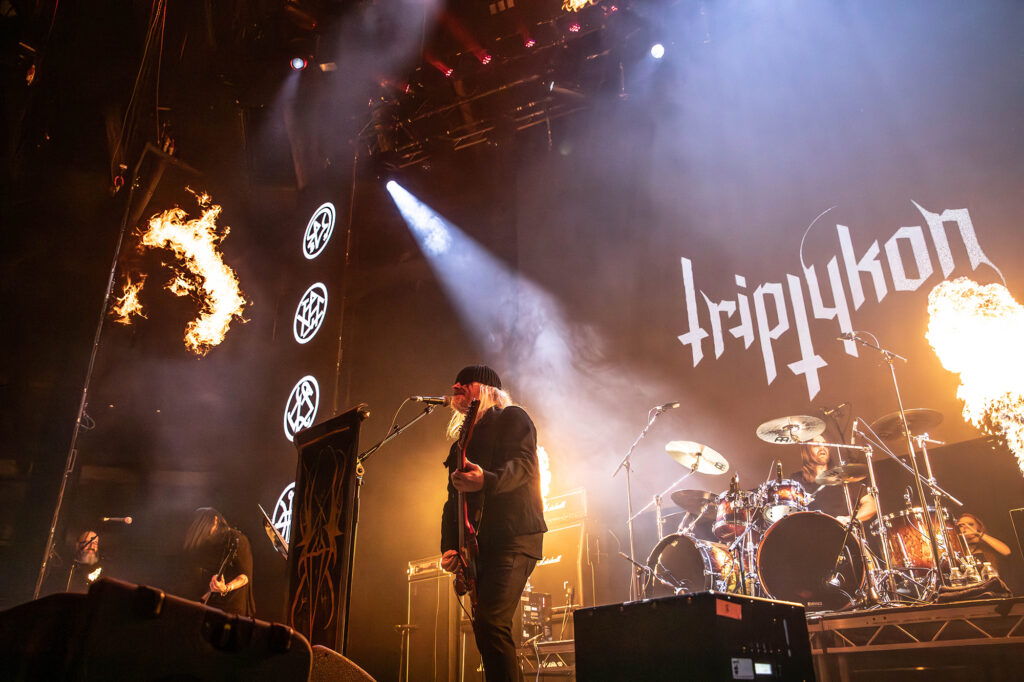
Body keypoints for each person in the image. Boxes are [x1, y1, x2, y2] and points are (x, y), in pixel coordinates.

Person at [439, 365, 547, 682]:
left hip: (514, 536)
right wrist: (449, 547)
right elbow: (452, 501)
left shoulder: (512, 418)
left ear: (487, 389)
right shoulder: (460, 445)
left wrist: (486, 479)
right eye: (455, 382)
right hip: (479, 546)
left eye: (465, 382)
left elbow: (523, 467)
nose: (456, 386)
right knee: (485, 629)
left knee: (491, 622)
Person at [183, 507, 255, 617]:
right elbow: (214, 583)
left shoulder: (237, 539)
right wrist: (202, 600)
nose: (205, 535)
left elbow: (245, 577)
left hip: (233, 609)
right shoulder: (214, 545)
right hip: (214, 606)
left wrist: (226, 588)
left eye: (204, 528)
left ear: (215, 520)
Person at [790, 435, 876, 525]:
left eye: (825, 445)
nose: (822, 448)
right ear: (807, 451)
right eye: (816, 445)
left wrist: (849, 519)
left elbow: (871, 505)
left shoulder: (842, 476)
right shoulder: (797, 480)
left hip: (841, 532)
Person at [956, 512, 1012, 578]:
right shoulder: (958, 547)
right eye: (961, 525)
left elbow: (1006, 551)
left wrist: (978, 533)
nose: (966, 527)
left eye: (970, 524)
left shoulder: (989, 543)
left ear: (979, 526)